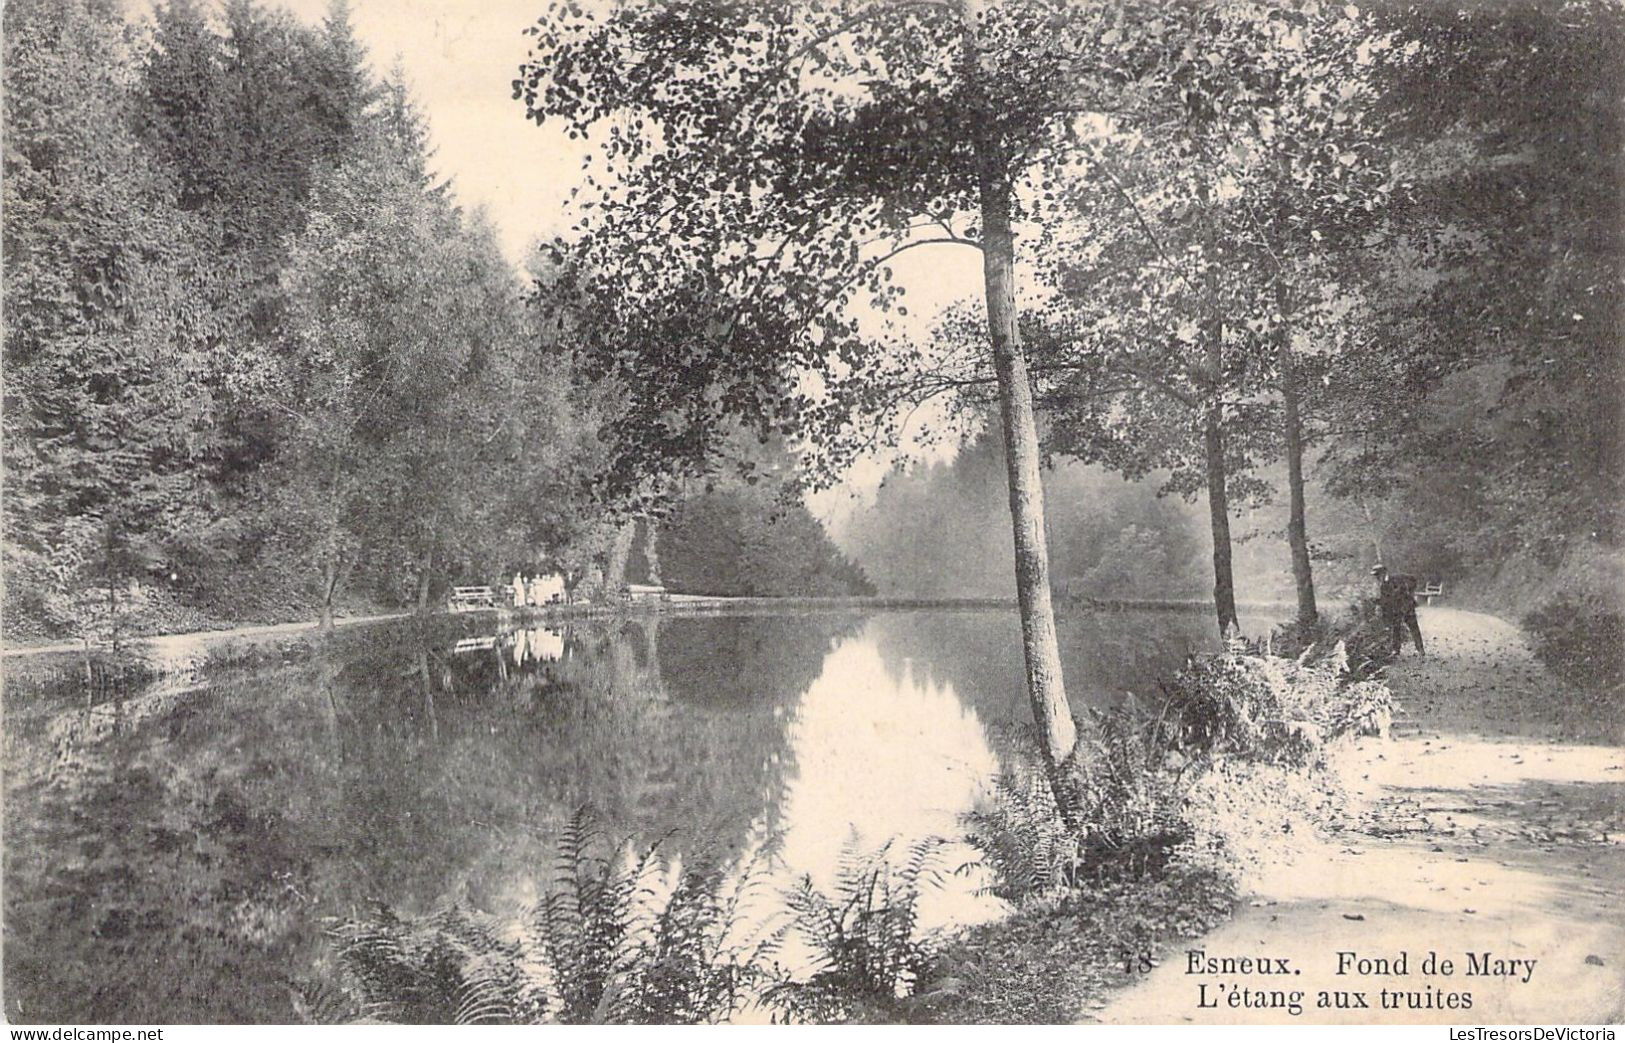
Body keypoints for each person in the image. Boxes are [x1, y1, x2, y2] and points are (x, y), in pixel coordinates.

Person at [1372, 564, 1425, 656]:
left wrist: (1411, 592)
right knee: (1396, 628)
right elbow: (1386, 600)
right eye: (1376, 576)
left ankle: (1420, 649)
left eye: (1378, 575)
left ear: (1384, 573)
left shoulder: (1397, 578)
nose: (1377, 578)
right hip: (1396, 609)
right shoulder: (1383, 585)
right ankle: (1396, 650)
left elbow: (1413, 580)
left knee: (1413, 627)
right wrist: (1377, 602)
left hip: (1407, 606)